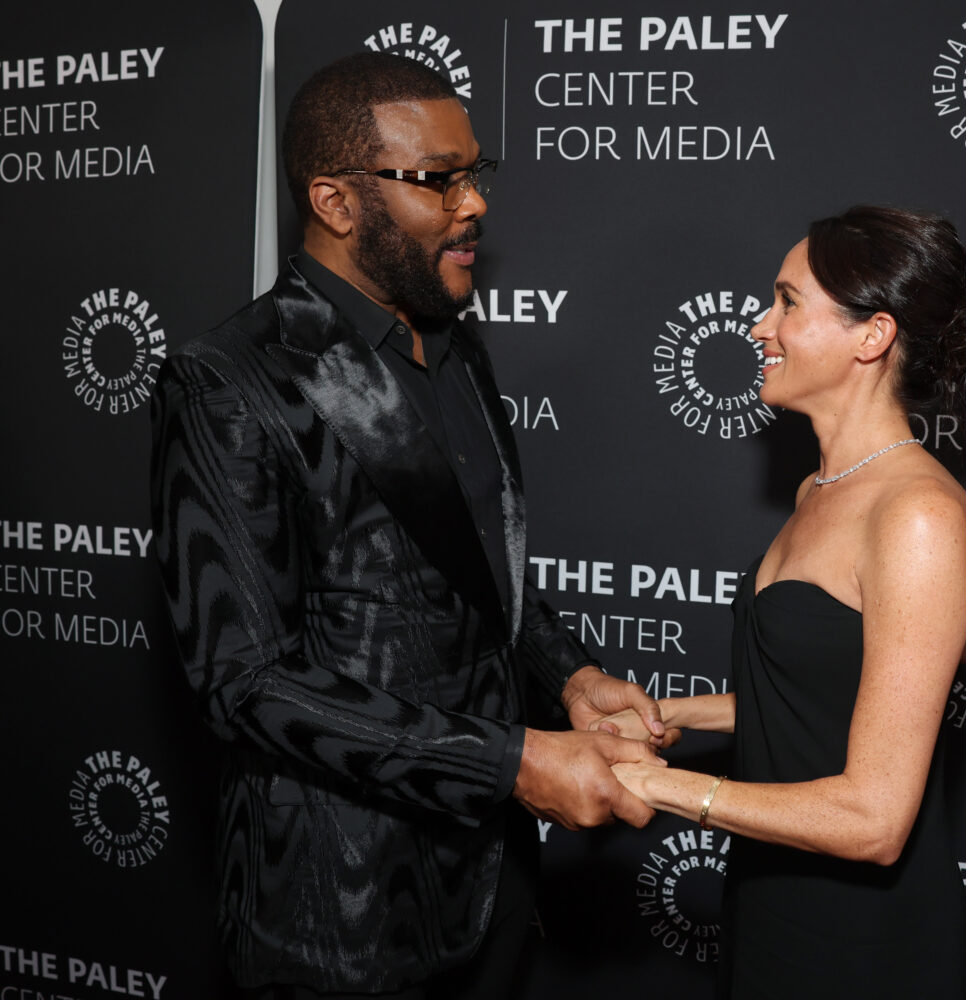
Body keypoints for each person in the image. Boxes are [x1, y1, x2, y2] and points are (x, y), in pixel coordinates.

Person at [150, 52, 668, 1000]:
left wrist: (572, 677)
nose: (474, 206)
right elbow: (243, 682)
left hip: (495, 891)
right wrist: (510, 761)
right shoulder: (227, 381)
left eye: (477, 174)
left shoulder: (458, 348)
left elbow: (476, 573)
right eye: (440, 180)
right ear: (337, 202)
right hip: (339, 913)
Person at [601, 205, 966, 998]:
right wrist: (673, 716)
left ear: (872, 337)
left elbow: (874, 820)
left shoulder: (919, 517)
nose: (760, 326)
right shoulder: (818, 487)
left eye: (788, 302)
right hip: (768, 896)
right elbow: (822, 696)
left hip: (856, 940)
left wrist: (662, 786)